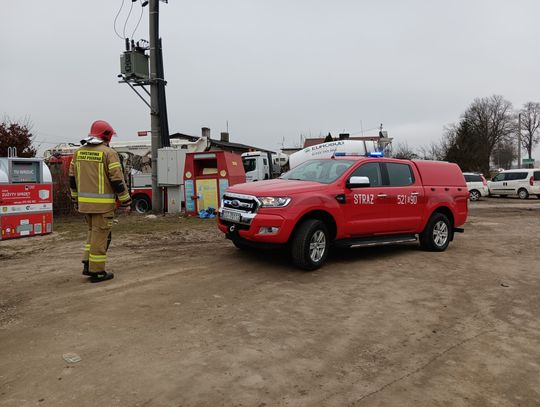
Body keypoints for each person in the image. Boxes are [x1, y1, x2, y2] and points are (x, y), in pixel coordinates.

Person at [68, 120, 132, 283]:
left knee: (92, 234)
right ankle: (97, 272)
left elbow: (72, 180)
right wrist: (126, 201)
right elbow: (117, 180)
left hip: (85, 205)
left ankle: (87, 264)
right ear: (107, 135)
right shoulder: (108, 153)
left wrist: (75, 199)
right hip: (102, 207)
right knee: (101, 237)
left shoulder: (78, 153)